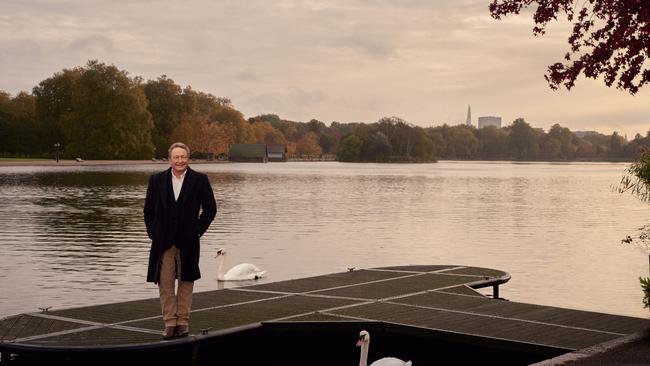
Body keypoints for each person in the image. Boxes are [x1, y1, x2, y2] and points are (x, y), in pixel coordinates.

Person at [144, 142, 217, 340]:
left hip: (188, 242)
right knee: (165, 283)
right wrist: (153, 233)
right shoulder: (157, 180)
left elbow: (210, 209)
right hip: (163, 242)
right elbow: (148, 211)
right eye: (176, 157)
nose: (180, 161)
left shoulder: (200, 180)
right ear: (170, 159)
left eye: (183, 157)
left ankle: (182, 323)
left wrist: (197, 231)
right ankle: (170, 323)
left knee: (186, 282)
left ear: (188, 158)